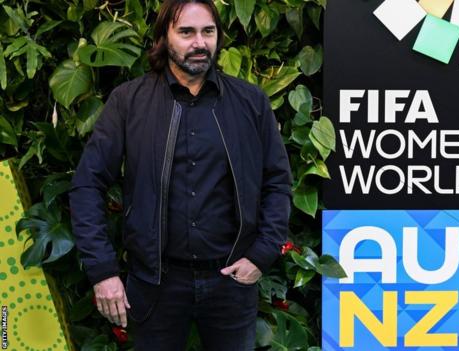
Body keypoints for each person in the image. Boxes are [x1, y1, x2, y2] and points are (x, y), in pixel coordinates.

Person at [68, 0, 292, 349]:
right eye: (186, 32)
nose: (199, 42)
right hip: (154, 285)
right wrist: (103, 271)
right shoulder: (129, 101)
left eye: (208, 31)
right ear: (164, 37)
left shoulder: (251, 102)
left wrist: (261, 255)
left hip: (231, 285)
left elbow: (278, 182)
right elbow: (87, 184)